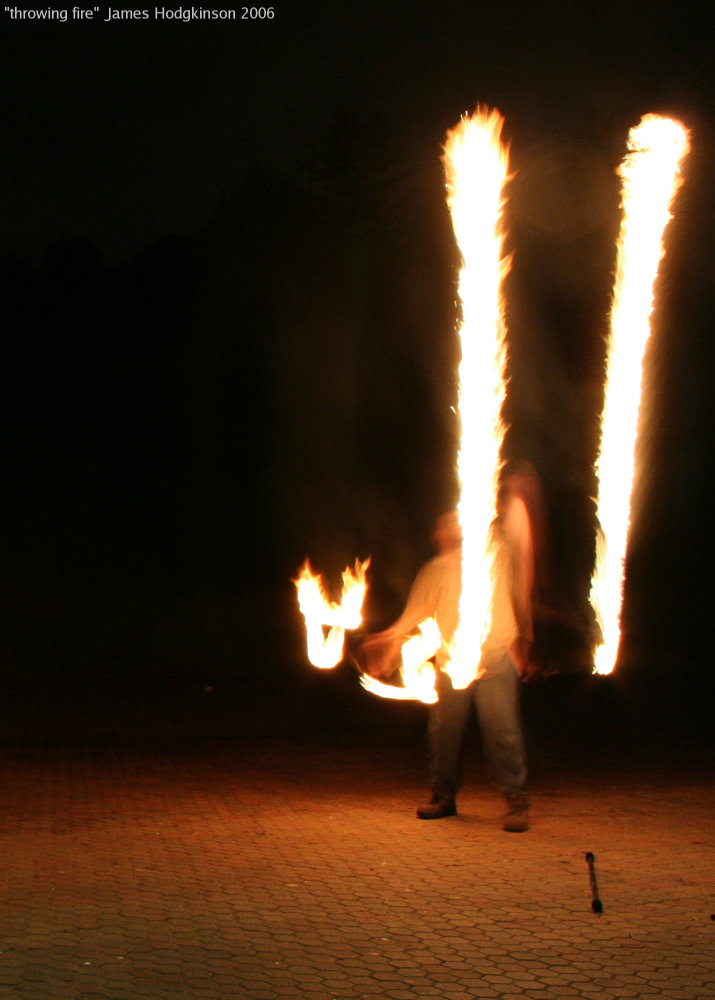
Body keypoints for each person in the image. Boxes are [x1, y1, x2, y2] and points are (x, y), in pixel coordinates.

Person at [360, 465, 537, 833]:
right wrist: (385, 643)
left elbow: (518, 536)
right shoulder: (434, 571)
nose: (453, 527)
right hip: (450, 664)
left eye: (458, 521)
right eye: (447, 524)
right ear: (438, 535)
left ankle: (516, 800)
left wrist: (517, 496)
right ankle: (443, 796)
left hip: (495, 655)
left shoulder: (494, 555)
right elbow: (411, 617)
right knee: (444, 731)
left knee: (502, 730)